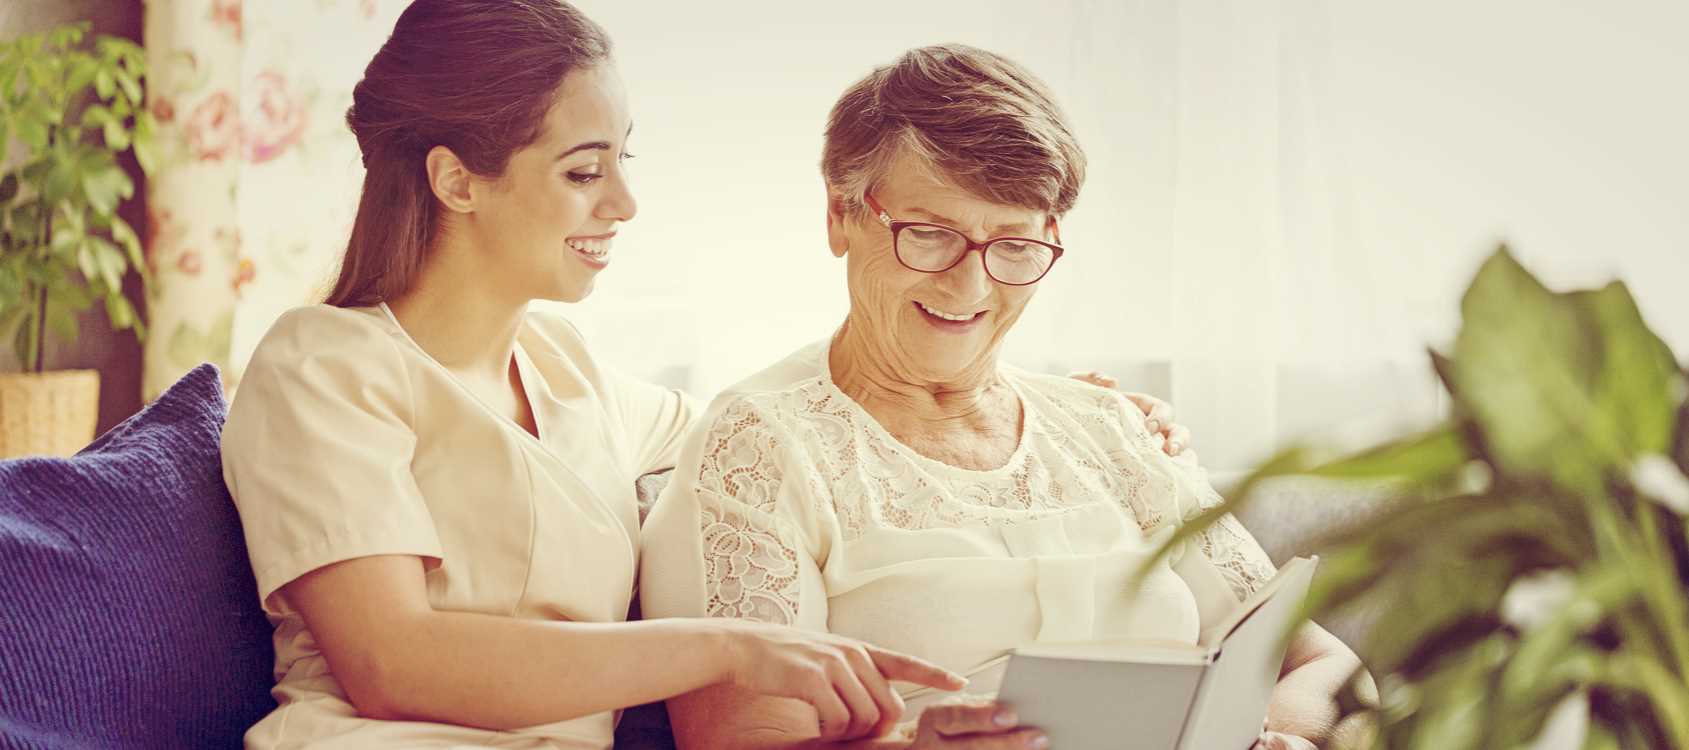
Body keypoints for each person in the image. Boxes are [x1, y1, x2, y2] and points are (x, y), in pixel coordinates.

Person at [220, 3, 1188, 748]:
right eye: (584, 170)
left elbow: (797, 426)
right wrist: (729, 646)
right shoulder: (323, 366)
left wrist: (1075, 417)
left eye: (623, 162)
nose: (627, 202)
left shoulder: (573, 378)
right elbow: (395, 662)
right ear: (456, 179)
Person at [640, 44, 1372, 750]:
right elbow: (743, 740)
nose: (970, 287)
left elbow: (1320, 662)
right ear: (841, 214)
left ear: (1051, 235)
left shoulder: (1110, 428)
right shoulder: (758, 443)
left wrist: (1275, 735)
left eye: (1013, 245)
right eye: (929, 235)